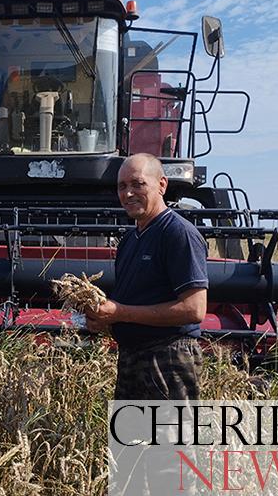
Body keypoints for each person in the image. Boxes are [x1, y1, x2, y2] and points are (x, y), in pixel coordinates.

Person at [86, 153, 208, 400]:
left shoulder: (178, 234)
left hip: (168, 359)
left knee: (168, 439)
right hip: (132, 359)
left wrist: (120, 312)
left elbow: (194, 310)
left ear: (162, 185)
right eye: (122, 186)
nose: (128, 193)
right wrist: (103, 320)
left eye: (138, 184)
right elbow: (135, 299)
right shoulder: (129, 241)